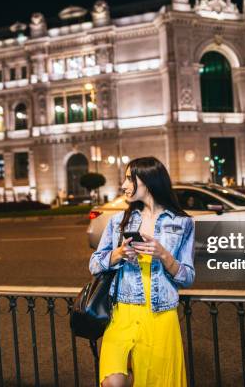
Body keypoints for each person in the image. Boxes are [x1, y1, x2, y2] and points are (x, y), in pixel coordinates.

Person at [89, 156, 195, 387]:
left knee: (156, 381)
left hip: (161, 316)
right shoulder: (119, 221)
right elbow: (94, 264)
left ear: (148, 181)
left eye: (130, 179)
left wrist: (164, 256)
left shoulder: (182, 223)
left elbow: (187, 277)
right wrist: (118, 254)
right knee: (112, 382)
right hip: (122, 313)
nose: (124, 185)